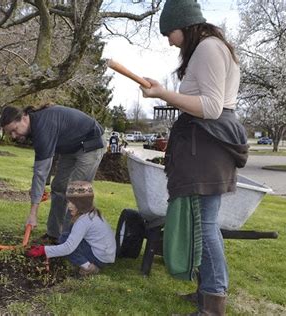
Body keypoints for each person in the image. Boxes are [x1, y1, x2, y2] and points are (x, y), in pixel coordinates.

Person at [140, 0, 249, 315]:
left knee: (204, 224)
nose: (168, 40)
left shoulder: (208, 48)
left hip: (207, 144)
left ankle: (213, 302)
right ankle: (206, 291)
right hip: (203, 143)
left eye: (169, 33)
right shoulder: (210, 47)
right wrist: (164, 91)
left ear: (183, 24)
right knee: (201, 222)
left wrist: (162, 94)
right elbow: (199, 101)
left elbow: (212, 108)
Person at [0, 104, 105, 244]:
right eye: (10, 133)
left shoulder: (42, 126)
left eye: (14, 130)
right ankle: (54, 234)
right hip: (71, 147)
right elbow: (48, 156)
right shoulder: (35, 125)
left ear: (24, 118)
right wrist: (46, 183)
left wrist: (33, 213)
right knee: (59, 186)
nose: (13, 136)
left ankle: (68, 241)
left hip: (91, 144)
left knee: (75, 193)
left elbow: (40, 172)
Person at [26, 181, 116, 276]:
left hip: (99, 257)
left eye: (73, 202)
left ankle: (89, 267)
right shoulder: (91, 214)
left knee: (64, 240)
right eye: (68, 201)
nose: (69, 206)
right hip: (105, 253)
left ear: (82, 204)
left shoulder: (83, 221)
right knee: (66, 236)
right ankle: (87, 262)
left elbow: (68, 248)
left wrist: (44, 250)